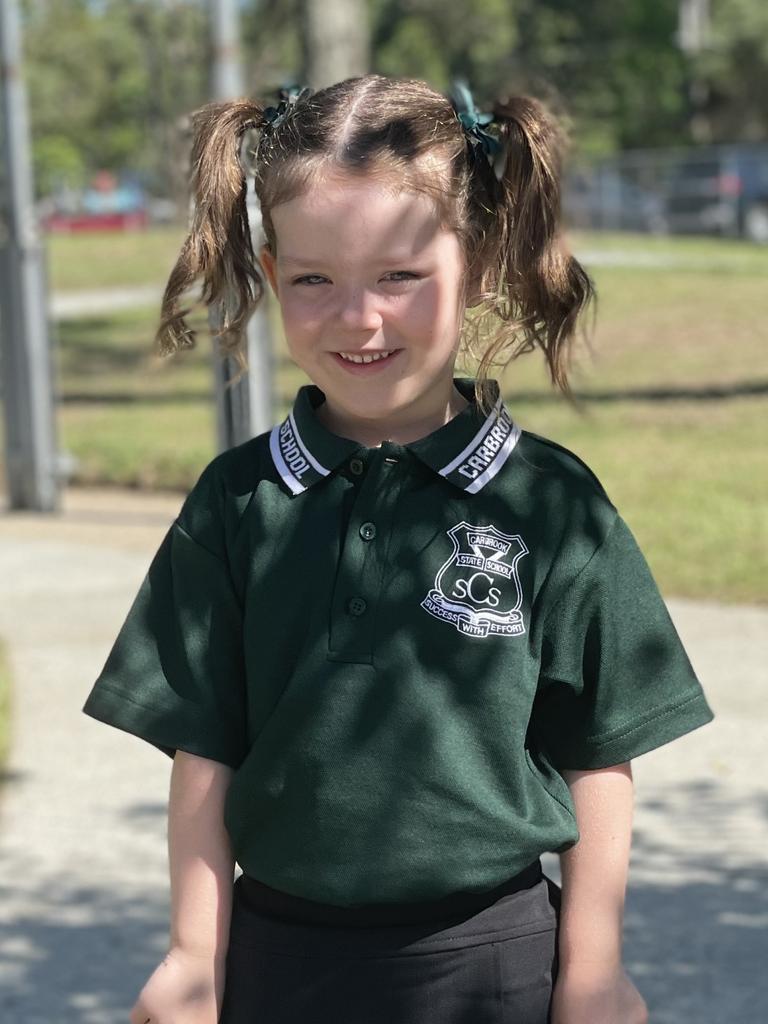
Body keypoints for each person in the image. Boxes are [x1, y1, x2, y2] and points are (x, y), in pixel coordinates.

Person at [81, 74, 715, 1024]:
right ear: (269, 269)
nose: (358, 317)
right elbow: (204, 752)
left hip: (494, 963)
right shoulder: (237, 500)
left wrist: (592, 972)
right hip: (275, 962)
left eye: (399, 276)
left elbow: (598, 759)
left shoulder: (553, 503)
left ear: (482, 259)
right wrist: (190, 957)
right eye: (313, 280)